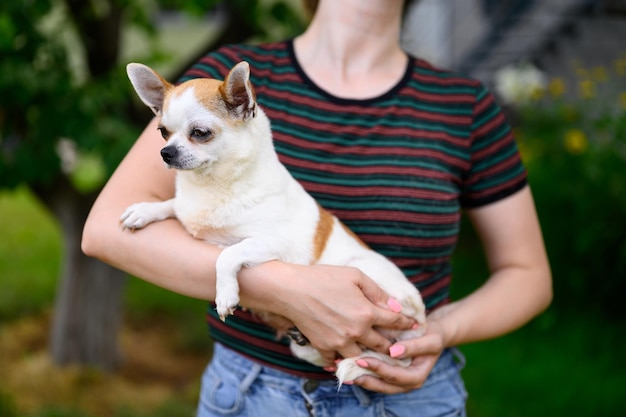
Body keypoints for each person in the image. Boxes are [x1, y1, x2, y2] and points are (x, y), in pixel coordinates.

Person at [82, 0, 553, 415]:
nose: (175, 143)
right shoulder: (209, 87)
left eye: (197, 135)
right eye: (169, 133)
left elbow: (527, 273)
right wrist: (283, 289)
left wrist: (436, 332)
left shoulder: (463, 105)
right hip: (249, 395)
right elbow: (106, 230)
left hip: (411, 393)